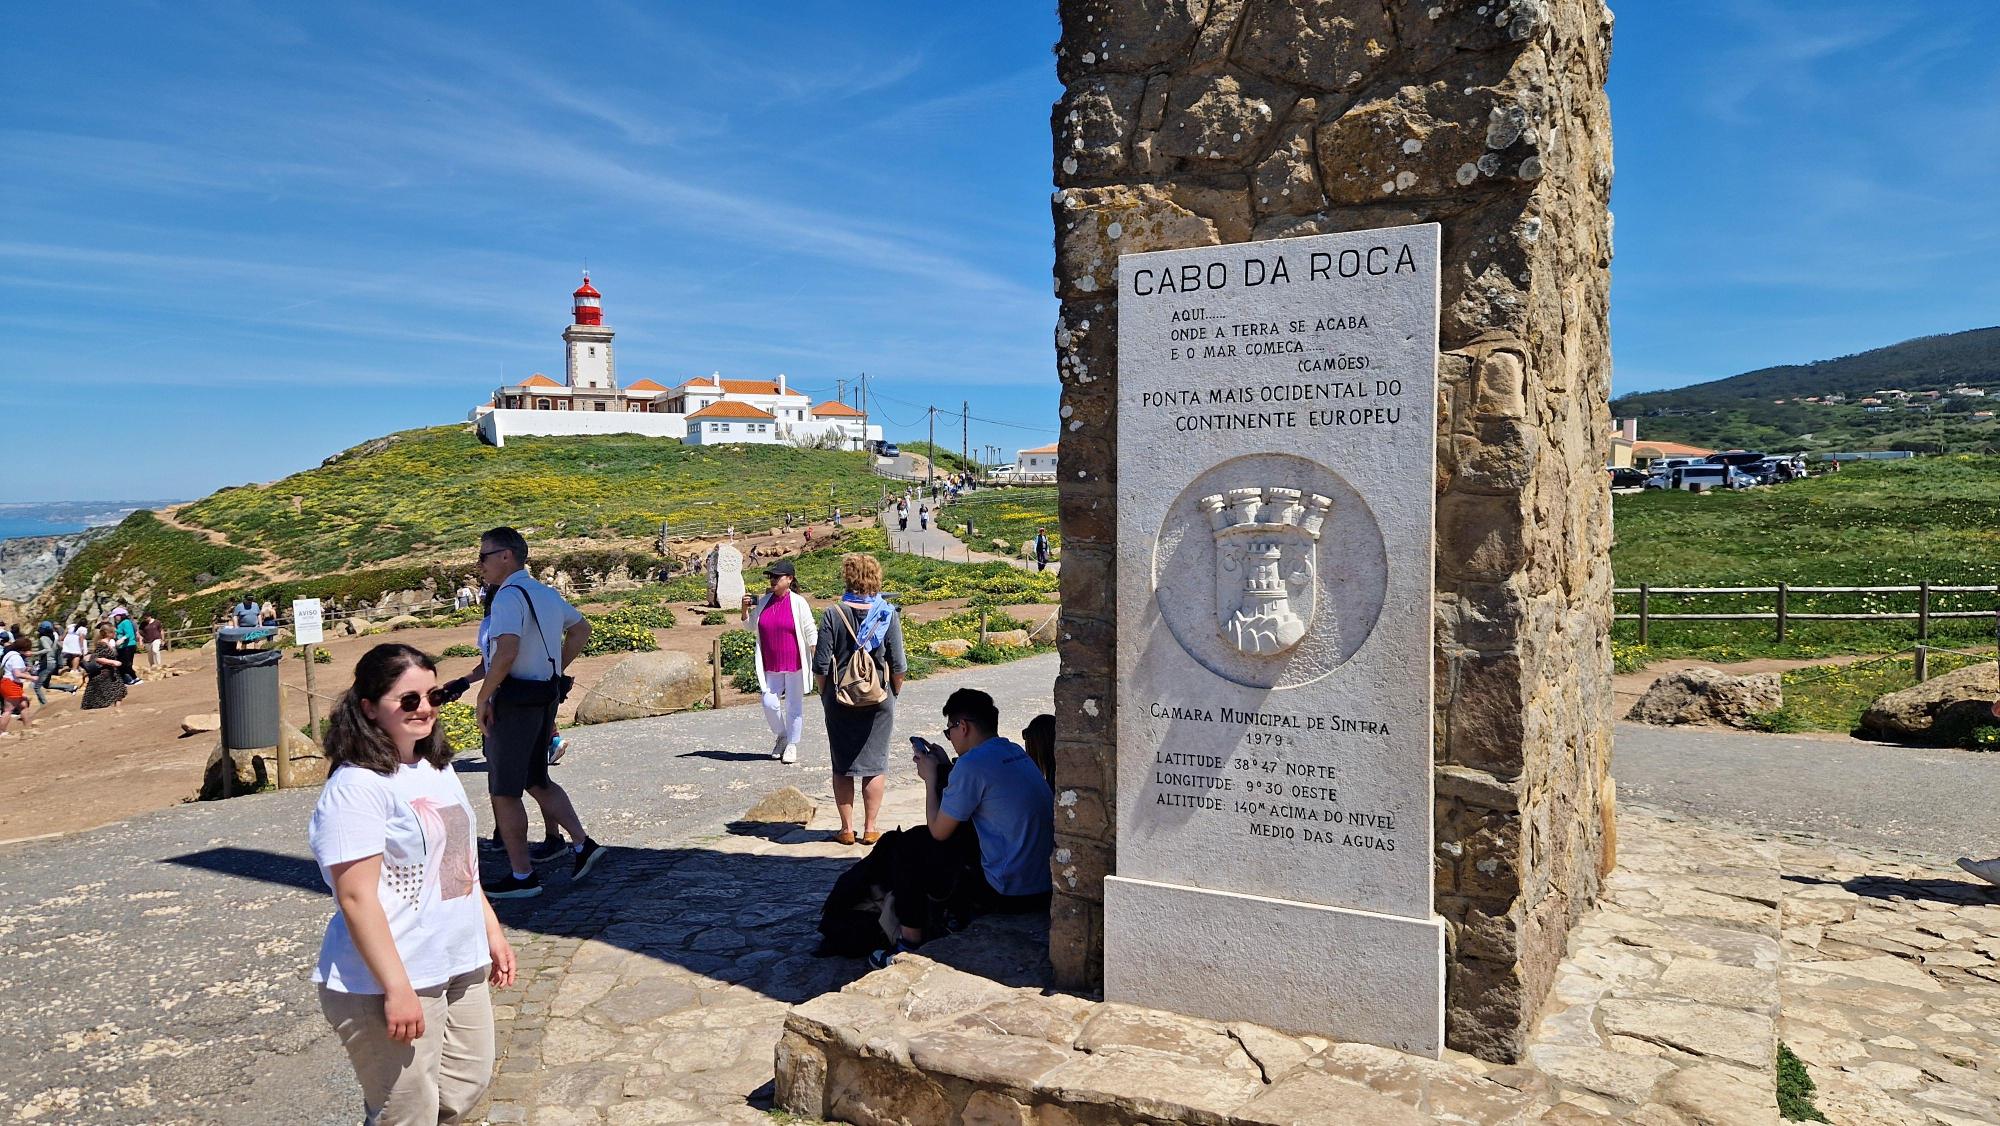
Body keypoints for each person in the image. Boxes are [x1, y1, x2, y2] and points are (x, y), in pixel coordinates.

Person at [310, 643, 515, 1126]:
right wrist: (396, 988)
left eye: (432, 695)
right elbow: (356, 897)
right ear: (368, 709)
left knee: (464, 1086)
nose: (424, 708)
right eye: (407, 700)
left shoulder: (436, 768)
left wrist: (492, 932)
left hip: (456, 959)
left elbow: (459, 867)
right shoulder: (356, 787)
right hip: (388, 977)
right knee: (406, 1111)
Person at [871, 689, 1054, 966]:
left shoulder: (971, 764)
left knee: (910, 845)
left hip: (1008, 893)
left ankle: (908, 944)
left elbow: (938, 831)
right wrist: (947, 768)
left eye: (950, 731)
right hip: (1043, 886)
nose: (951, 738)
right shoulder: (1013, 751)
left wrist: (931, 778)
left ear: (963, 726)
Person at [471, 527, 605, 899]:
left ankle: (522, 875)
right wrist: (556, 669)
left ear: (505, 556)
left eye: (483, 556)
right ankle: (582, 844)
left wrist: (483, 697)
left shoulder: (507, 597)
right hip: (544, 696)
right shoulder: (545, 593)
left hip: (513, 702)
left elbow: (507, 650)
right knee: (536, 778)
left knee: (504, 791)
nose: (478, 563)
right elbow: (581, 629)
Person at [444, 584, 570, 864]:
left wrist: (484, 696)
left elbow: (507, 658)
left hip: (515, 703)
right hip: (507, 703)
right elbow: (488, 663)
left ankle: (560, 840)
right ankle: (513, 834)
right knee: (511, 777)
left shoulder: (511, 615)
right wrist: (464, 682)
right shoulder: (492, 622)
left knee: (529, 780)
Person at [812, 553, 905, 846]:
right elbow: (899, 664)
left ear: (848, 577)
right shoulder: (886, 613)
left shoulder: (833, 614)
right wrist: (893, 692)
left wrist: (825, 695)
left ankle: (846, 829)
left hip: (840, 700)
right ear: (877, 578)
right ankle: (871, 828)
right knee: (875, 765)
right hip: (879, 700)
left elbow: (821, 665)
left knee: (842, 765)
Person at [743, 558, 817, 765]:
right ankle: (782, 735)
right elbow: (750, 627)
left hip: (795, 662)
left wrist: (816, 654)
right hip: (771, 663)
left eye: (777, 577)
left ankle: (792, 744)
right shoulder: (765, 601)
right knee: (769, 702)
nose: (772, 580)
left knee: (794, 706)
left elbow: (810, 629)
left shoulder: (799, 602)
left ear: (790, 579)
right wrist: (744, 610)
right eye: (771, 577)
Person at [80, 625, 127, 711]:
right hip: (104, 673)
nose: (116, 633)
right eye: (114, 632)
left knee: (119, 690)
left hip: (111, 672)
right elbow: (98, 658)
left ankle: (117, 710)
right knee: (101, 696)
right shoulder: (102, 644)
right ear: (109, 633)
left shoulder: (107, 643)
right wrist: (113, 662)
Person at [0, 638, 35, 739]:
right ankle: (1, 732)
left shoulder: (9, 654)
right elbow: (17, 674)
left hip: (8, 683)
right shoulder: (17, 658)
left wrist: (25, 669)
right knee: (8, 710)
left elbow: (12, 669)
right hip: (11, 684)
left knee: (23, 705)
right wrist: (32, 677)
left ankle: (28, 727)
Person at [34, 622, 72, 698]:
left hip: (47, 663)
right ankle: (70, 687)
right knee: (46, 685)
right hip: (52, 663)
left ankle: (44, 706)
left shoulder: (43, 638)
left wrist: (33, 653)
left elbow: (47, 649)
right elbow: (59, 648)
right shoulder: (54, 637)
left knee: (37, 687)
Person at [112, 609, 142, 686]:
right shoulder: (120, 624)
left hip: (128, 645)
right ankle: (124, 680)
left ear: (120, 615)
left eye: (116, 616)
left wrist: (122, 639)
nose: (115, 618)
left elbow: (130, 634)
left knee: (126, 664)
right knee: (121, 664)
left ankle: (135, 678)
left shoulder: (126, 622)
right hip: (122, 647)